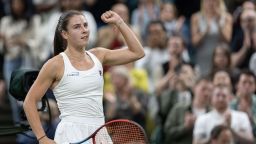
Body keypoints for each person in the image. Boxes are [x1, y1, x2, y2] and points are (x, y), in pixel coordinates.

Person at [23, 10, 145, 144]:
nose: (84, 30)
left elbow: (137, 52)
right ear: (65, 34)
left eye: (85, 25)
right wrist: (42, 138)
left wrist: (119, 22)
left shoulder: (99, 55)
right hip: (70, 133)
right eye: (77, 27)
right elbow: (29, 101)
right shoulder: (55, 64)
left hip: (100, 132)